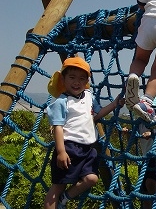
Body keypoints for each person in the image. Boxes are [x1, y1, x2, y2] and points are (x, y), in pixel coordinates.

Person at [44, 57, 124, 209]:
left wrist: (114, 104)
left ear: (87, 80)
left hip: (89, 149)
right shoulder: (62, 101)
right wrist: (61, 151)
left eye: (82, 79)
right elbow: (58, 128)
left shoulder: (88, 96)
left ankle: (64, 199)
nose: (77, 82)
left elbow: (98, 114)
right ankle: (55, 202)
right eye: (72, 77)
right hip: (69, 148)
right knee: (58, 185)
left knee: (92, 178)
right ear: (63, 79)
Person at [137, 95, 156, 209]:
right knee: (144, 192)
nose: (152, 114)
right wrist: (128, 132)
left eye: (155, 111)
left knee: (151, 184)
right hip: (145, 159)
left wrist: (153, 134)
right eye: (149, 111)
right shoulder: (140, 123)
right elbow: (136, 133)